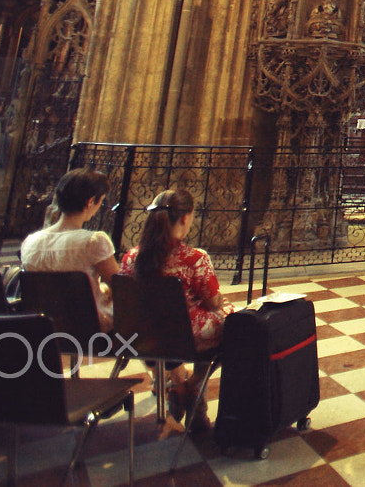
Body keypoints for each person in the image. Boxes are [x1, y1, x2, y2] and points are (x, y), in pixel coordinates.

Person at [119, 189, 231, 430]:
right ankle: (192, 388)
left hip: (144, 336)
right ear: (185, 218)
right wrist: (220, 301)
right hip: (184, 337)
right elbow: (213, 302)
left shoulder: (130, 258)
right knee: (233, 324)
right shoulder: (194, 258)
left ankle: (179, 390)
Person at [20, 168, 118, 329]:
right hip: (88, 324)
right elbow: (120, 287)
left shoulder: (30, 242)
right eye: (101, 201)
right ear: (91, 202)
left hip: (43, 324)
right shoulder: (94, 242)